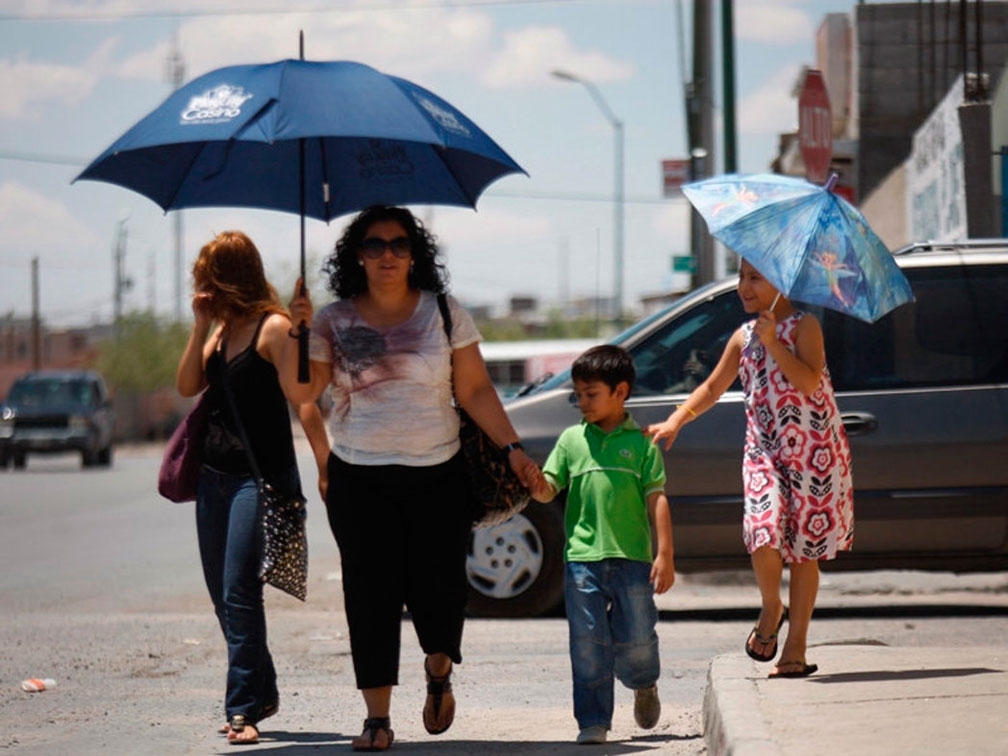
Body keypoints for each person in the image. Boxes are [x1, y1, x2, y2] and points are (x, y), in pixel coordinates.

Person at [284, 204, 539, 752]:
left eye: (399, 244)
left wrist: (514, 449)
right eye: (375, 245)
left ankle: (438, 670)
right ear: (358, 255)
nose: (388, 255)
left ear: (414, 254)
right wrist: (297, 331)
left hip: (438, 474)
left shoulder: (444, 313)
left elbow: (475, 390)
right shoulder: (330, 320)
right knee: (369, 595)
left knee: (440, 592)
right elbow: (302, 392)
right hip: (360, 477)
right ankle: (377, 717)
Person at [645, 258, 854, 679]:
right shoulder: (742, 337)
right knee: (762, 531)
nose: (743, 286)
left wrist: (775, 343)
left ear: (782, 281)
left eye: (755, 277)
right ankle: (772, 605)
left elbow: (808, 381)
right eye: (742, 277)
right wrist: (677, 419)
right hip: (764, 453)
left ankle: (795, 649)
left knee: (805, 552)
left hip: (814, 454)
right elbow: (711, 387)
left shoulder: (805, 327)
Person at [175, 230, 325, 745]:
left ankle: (241, 709)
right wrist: (200, 325)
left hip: (256, 480)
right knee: (222, 596)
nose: (200, 287)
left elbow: (303, 398)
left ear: (226, 278)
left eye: (206, 278)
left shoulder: (274, 328)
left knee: (240, 591)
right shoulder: (221, 331)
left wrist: (325, 465)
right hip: (213, 477)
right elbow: (187, 385)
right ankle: (263, 688)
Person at [526, 344, 675, 746]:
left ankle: (644, 683)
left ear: (620, 392)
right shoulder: (571, 440)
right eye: (578, 394)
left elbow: (657, 498)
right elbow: (549, 488)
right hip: (582, 561)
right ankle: (593, 720)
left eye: (591, 394)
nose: (582, 402)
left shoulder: (643, 443)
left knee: (638, 639)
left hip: (633, 561)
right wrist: (535, 484)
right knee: (587, 644)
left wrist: (664, 554)